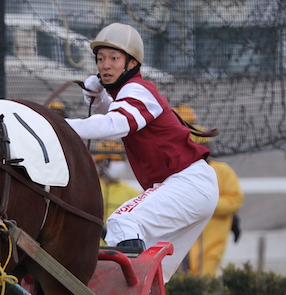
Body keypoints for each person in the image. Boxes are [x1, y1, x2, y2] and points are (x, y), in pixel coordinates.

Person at [65, 22, 220, 277]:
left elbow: (116, 124)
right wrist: (100, 98)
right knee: (155, 273)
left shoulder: (139, 90)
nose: (105, 65)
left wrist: (57, 126)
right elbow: (113, 113)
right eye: (101, 58)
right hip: (190, 186)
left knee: (122, 223)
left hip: (186, 184)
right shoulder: (131, 93)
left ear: (132, 63)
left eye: (114, 58)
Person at [174, 105, 244, 278]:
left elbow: (235, 200)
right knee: (181, 284)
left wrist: (206, 204)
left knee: (206, 280)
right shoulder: (178, 172)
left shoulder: (222, 171)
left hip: (212, 243)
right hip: (183, 244)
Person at [92, 139, 141, 228]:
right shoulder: (89, 190)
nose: (120, 165)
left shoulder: (133, 194)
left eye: (120, 160)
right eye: (115, 160)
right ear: (102, 162)